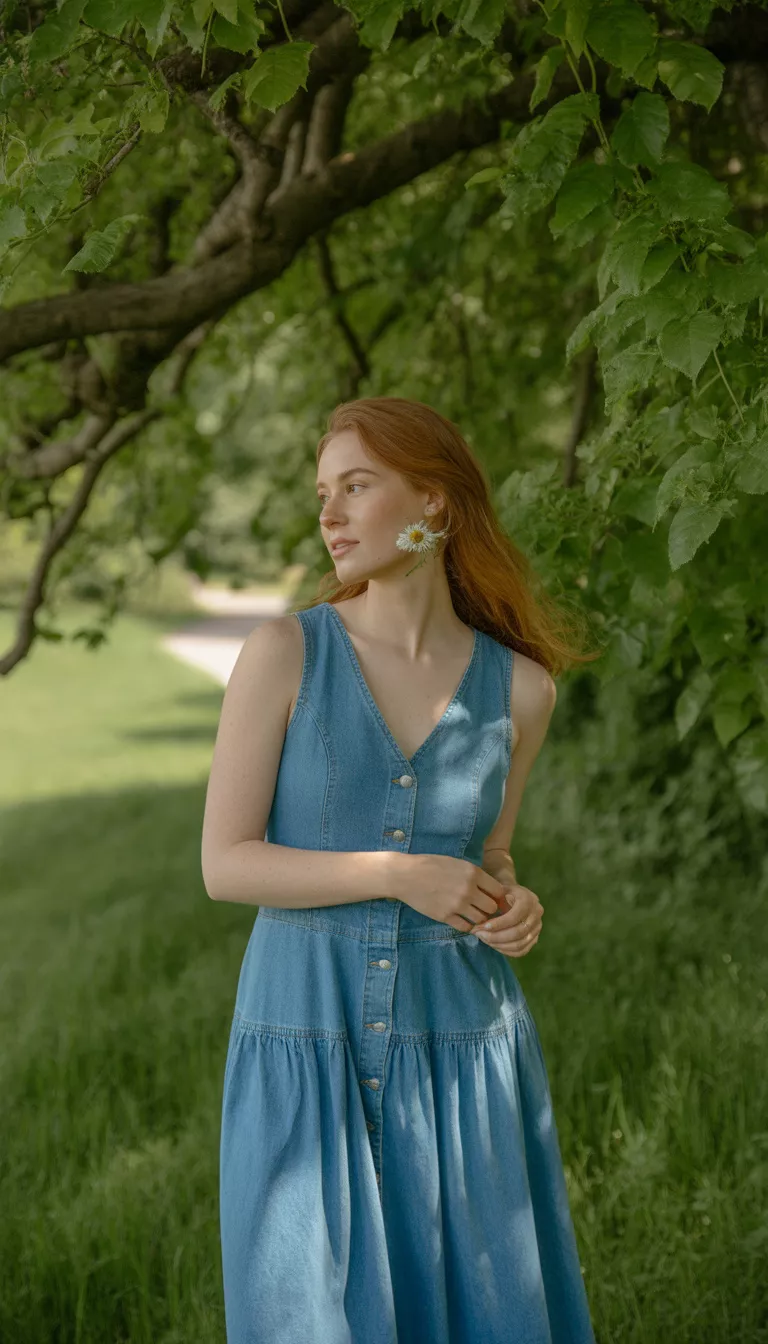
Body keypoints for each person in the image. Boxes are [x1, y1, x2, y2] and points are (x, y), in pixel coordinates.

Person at [202, 396, 599, 1344]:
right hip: (305, 1028)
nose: (329, 514)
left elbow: (487, 855)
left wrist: (513, 902)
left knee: (477, 1304)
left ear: (438, 503)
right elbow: (226, 863)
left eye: (357, 486)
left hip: (462, 1040)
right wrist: (395, 872)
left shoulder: (522, 688)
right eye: (322, 492)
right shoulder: (285, 653)